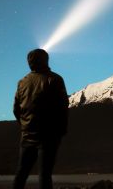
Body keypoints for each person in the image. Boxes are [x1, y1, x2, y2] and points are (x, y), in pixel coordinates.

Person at [13, 48, 69, 189]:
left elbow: (16, 109)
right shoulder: (55, 79)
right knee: (44, 174)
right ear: (46, 60)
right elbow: (63, 108)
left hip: (26, 135)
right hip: (48, 136)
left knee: (21, 173)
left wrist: (25, 125)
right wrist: (61, 131)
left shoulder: (22, 82)